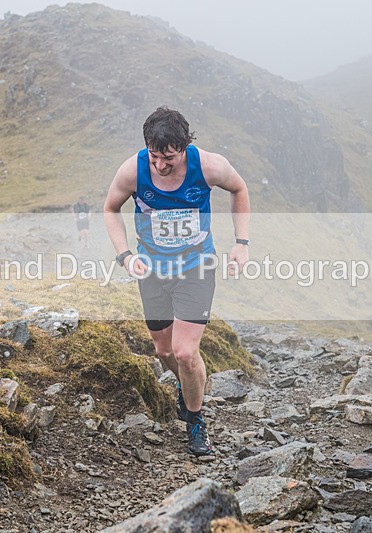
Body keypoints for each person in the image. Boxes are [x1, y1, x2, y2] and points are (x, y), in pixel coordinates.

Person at [104, 106, 250, 456]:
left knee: (185, 352)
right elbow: (111, 209)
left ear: (184, 147)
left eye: (168, 158)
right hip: (152, 270)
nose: (160, 165)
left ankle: (196, 421)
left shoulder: (210, 166)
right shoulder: (133, 170)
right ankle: (191, 387)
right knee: (163, 350)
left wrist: (241, 244)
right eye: (154, 156)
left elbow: (240, 189)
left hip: (196, 268)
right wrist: (125, 254)